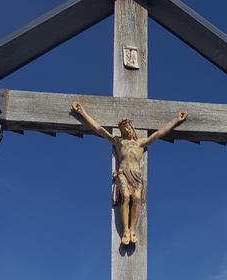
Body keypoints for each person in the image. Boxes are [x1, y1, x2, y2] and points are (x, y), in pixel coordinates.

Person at [71, 102, 188, 245]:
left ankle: (132, 229)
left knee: (137, 198)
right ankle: (125, 230)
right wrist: (82, 112)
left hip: (137, 175)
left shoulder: (140, 143)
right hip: (123, 173)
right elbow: (99, 129)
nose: (126, 130)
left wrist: (176, 119)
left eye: (127, 127)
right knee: (126, 196)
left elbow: (159, 133)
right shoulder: (119, 142)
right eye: (123, 128)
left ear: (131, 128)